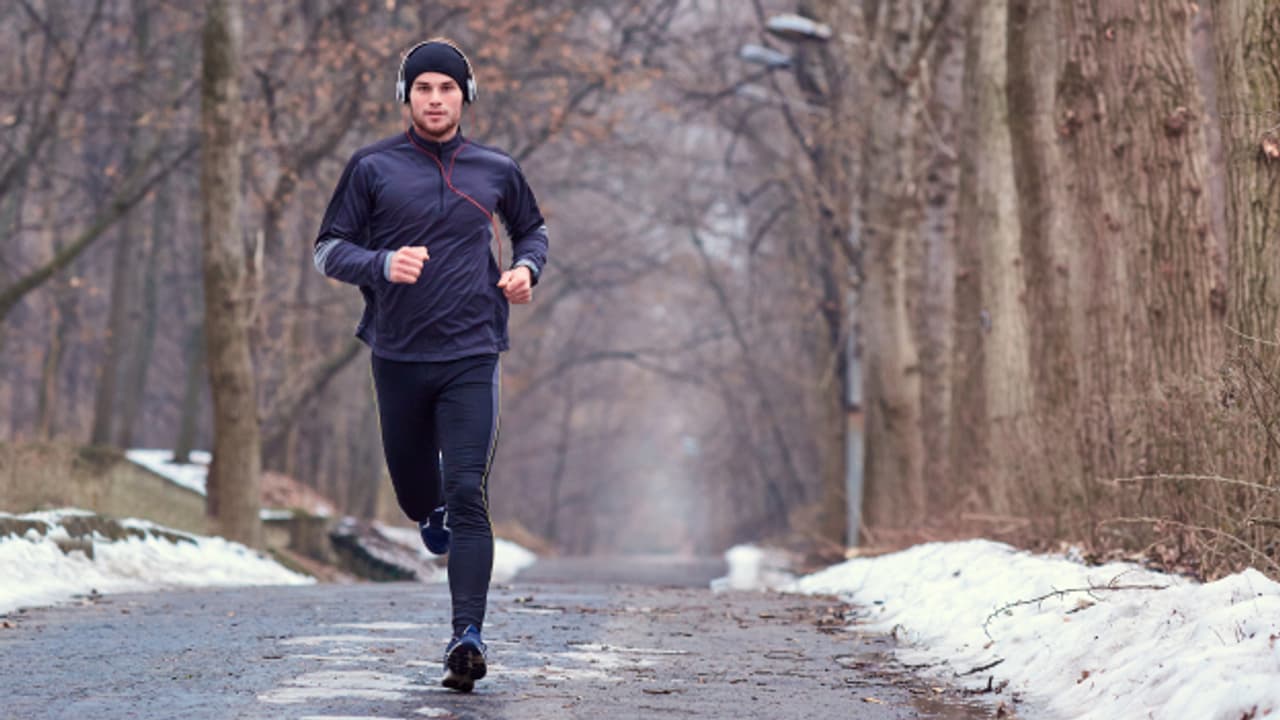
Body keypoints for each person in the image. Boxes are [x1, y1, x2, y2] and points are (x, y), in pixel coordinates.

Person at [312, 37, 548, 693]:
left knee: (468, 489)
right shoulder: (372, 167)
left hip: (472, 351)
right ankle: (427, 510)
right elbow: (327, 250)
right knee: (419, 494)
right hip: (397, 353)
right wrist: (382, 263)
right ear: (406, 96)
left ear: (465, 96)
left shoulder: (495, 168)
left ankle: (466, 636)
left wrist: (526, 269)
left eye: (447, 88)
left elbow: (532, 230)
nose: (436, 99)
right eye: (423, 88)